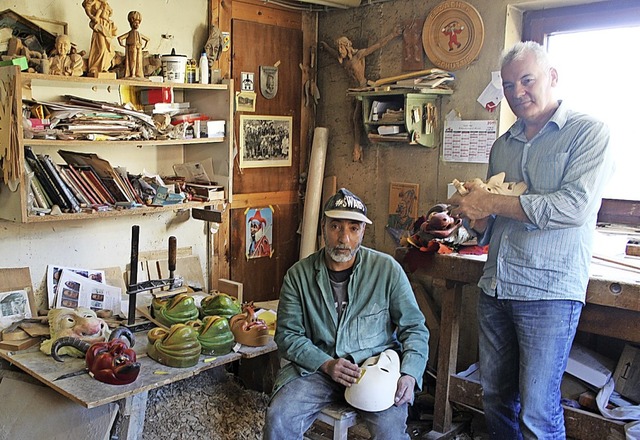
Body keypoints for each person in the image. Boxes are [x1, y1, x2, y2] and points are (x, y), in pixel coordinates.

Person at [448, 41, 613, 439]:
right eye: (508, 85)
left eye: (526, 80)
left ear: (552, 78)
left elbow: (574, 207)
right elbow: (491, 224)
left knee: (538, 411)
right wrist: (471, 214)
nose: (517, 92)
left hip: (548, 291)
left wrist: (492, 201)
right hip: (496, 286)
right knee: (496, 400)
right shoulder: (503, 144)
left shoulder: (589, 134)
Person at [263, 188, 429, 440]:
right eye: (336, 227)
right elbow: (287, 335)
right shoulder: (298, 276)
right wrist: (326, 364)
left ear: (363, 231)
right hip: (318, 370)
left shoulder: (386, 270)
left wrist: (410, 374)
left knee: (390, 433)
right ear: (323, 228)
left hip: (375, 370)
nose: (344, 238)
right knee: (279, 418)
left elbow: (414, 328)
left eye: (353, 228)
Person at [320, 27, 402, 162]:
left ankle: (357, 147)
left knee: (355, 118)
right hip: (353, 91)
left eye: (342, 48)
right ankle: (357, 145)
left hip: (362, 88)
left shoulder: (358, 56)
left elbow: (378, 46)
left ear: (347, 47)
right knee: (351, 119)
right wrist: (325, 46)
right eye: (339, 48)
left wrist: (393, 34)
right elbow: (332, 53)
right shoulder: (344, 60)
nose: (340, 51)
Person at [83, 0, 117, 76]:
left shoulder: (105, 3)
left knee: (107, 50)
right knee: (100, 48)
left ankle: (104, 68)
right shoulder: (93, 1)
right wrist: (92, 17)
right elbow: (87, 8)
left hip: (107, 25)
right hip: (99, 25)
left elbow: (110, 12)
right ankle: (95, 68)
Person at [117, 11, 149, 78]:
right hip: (132, 47)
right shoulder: (130, 33)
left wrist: (144, 46)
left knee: (139, 61)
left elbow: (147, 39)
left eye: (138, 23)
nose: (137, 25)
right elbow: (120, 38)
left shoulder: (139, 34)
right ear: (132, 23)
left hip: (139, 47)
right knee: (133, 61)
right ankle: (132, 74)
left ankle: (138, 74)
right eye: (135, 23)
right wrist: (123, 45)